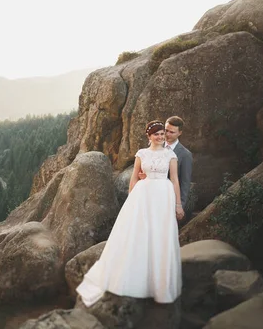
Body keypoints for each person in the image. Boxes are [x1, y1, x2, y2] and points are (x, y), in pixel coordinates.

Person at [76, 120, 184, 307]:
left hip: (164, 197)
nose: (160, 137)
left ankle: (159, 285)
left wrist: (178, 204)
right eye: (156, 134)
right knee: (140, 234)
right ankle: (136, 277)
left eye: (162, 134)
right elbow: (134, 178)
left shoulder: (170, 155)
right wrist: (131, 200)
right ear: (148, 136)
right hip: (144, 196)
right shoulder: (141, 154)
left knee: (161, 236)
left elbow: (174, 180)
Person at [139, 116, 193, 215]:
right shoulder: (154, 145)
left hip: (168, 198)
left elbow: (185, 183)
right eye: (166, 130)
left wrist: (179, 206)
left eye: (172, 132)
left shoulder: (185, 155)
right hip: (149, 196)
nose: (167, 134)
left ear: (180, 133)